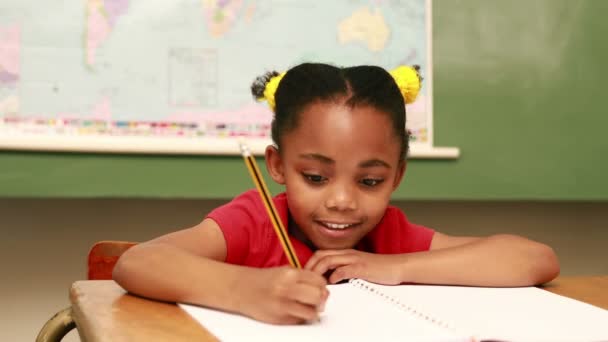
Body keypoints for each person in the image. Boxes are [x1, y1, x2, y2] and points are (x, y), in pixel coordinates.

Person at [113, 62, 560, 325]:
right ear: (277, 167)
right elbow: (137, 262)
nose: (343, 201)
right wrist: (246, 289)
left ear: (397, 177)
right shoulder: (255, 220)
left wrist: (393, 265)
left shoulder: (388, 236)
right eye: (315, 176)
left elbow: (534, 260)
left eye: (369, 182)